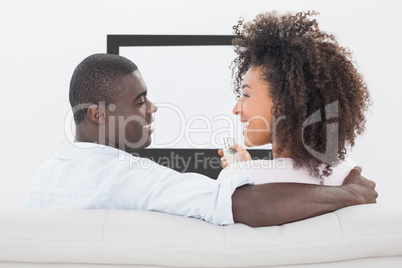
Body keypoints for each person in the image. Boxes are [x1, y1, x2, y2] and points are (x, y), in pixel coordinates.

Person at [26, 53, 377, 227]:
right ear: (98, 114)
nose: (152, 108)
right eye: (139, 101)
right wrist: (351, 192)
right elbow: (242, 205)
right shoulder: (130, 180)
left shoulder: (43, 180)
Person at [218, 11, 370, 186]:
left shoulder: (238, 179)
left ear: (283, 101)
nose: (236, 109)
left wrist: (240, 173)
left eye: (246, 95)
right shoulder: (348, 175)